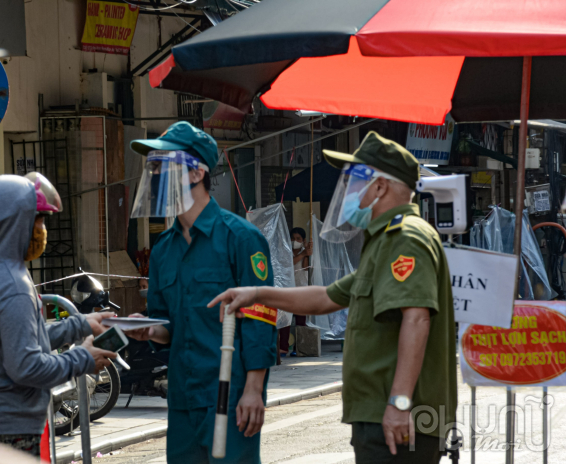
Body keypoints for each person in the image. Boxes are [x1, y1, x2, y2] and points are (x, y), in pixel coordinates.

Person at [209, 132, 457, 464]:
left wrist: (400, 401)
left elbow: (417, 318)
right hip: (381, 411)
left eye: (355, 181)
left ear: (380, 187)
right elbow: (326, 298)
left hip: (400, 414)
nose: (349, 192)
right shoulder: (383, 241)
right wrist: (256, 292)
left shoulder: (405, 237)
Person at [126, 121, 277, 464]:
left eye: (163, 166)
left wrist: (254, 389)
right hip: (182, 395)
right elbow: (168, 327)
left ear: (196, 174)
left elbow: (261, 319)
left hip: (229, 390)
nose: (154, 176)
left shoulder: (240, 238)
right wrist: (147, 329)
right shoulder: (164, 249)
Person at [0, 173, 117, 457]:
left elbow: (11, 343)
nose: (42, 229)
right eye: (38, 220)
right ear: (13, 224)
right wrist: (83, 359)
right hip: (3, 433)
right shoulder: (12, 284)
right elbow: (26, 367)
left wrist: (79, 324)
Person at [278, 227, 312, 356]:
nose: (295, 241)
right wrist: (303, 254)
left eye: (298, 239)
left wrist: (307, 253)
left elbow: (305, 267)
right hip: (287, 289)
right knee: (285, 320)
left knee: (300, 321)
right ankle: (283, 347)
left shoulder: (306, 252)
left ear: (303, 240)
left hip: (301, 289)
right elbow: (288, 265)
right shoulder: (285, 252)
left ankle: (299, 348)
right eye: (293, 238)